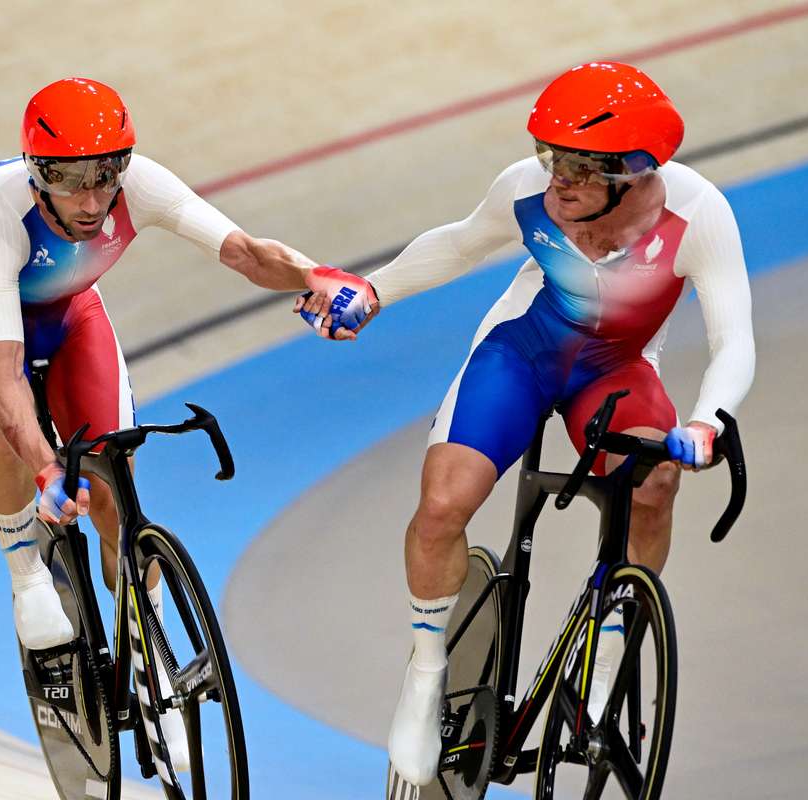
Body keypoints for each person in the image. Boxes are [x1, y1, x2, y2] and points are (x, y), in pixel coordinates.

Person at [296, 61, 754, 785]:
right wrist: (373, 290)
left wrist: (708, 420)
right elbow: (458, 243)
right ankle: (424, 674)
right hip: (523, 351)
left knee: (658, 482)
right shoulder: (527, 191)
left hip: (613, 371)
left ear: (631, 172)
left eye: (576, 166)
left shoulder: (698, 216)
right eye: (552, 158)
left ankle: (608, 650)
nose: (556, 179)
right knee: (443, 505)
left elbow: (735, 340)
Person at [0, 76, 318, 768]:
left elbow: (248, 254)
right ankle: (26, 576)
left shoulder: (141, 186)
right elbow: (6, 366)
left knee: (115, 488)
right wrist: (46, 469)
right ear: (36, 174)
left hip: (71, 313)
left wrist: (322, 277)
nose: (90, 199)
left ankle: (152, 650)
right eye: (69, 180)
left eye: (103, 177)